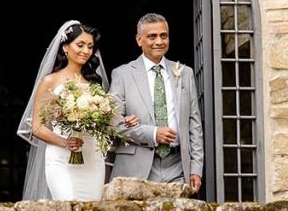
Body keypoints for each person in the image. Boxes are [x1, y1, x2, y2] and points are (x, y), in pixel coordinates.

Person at [16, 20, 138, 201]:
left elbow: (104, 124)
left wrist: (122, 122)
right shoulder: (50, 81)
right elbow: (37, 127)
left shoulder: (94, 83)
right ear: (65, 47)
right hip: (61, 158)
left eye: (90, 46)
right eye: (80, 45)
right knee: (67, 208)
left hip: (92, 158)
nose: (86, 51)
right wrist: (64, 142)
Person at [110, 13, 204, 194]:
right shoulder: (122, 74)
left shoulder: (185, 73)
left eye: (164, 35)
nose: (159, 41)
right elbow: (114, 124)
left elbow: (194, 124)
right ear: (139, 40)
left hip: (178, 166)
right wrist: (153, 133)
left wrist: (196, 169)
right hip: (135, 166)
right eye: (152, 36)